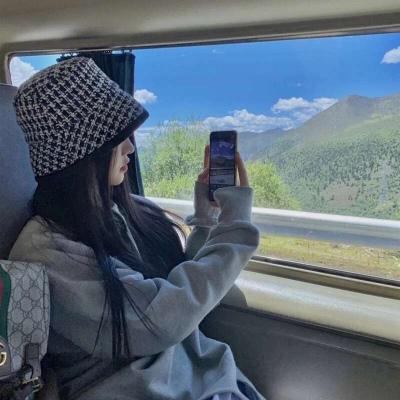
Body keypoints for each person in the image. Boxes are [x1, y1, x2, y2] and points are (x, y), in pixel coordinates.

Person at [9, 57, 263, 400]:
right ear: (83, 153)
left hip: (200, 377)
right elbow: (159, 320)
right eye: (118, 137)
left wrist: (207, 220)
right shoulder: (46, 254)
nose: (131, 146)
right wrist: (235, 228)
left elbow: (171, 287)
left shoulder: (122, 210)